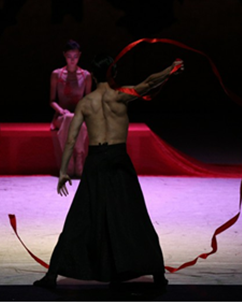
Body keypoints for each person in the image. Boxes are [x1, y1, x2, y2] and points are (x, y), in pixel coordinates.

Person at [34, 54, 185, 290]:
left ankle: (52, 276)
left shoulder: (86, 103)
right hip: (118, 158)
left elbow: (71, 139)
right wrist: (171, 69)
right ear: (113, 73)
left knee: (81, 217)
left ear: (93, 76)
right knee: (134, 214)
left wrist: (63, 171)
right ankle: (158, 274)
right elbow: (149, 82)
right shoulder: (121, 95)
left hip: (96, 160)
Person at [50, 40, 92, 177]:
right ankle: (70, 158)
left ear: (79, 56)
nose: (72, 60)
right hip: (62, 117)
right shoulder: (57, 74)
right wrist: (61, 110)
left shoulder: (86, 75)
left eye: (75, 56)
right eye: (69, 56)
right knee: (69, 118)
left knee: (74, 118)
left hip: (79, 117)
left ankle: (78, 156)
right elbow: (52, 101)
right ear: (64, 55)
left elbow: (88, 100)